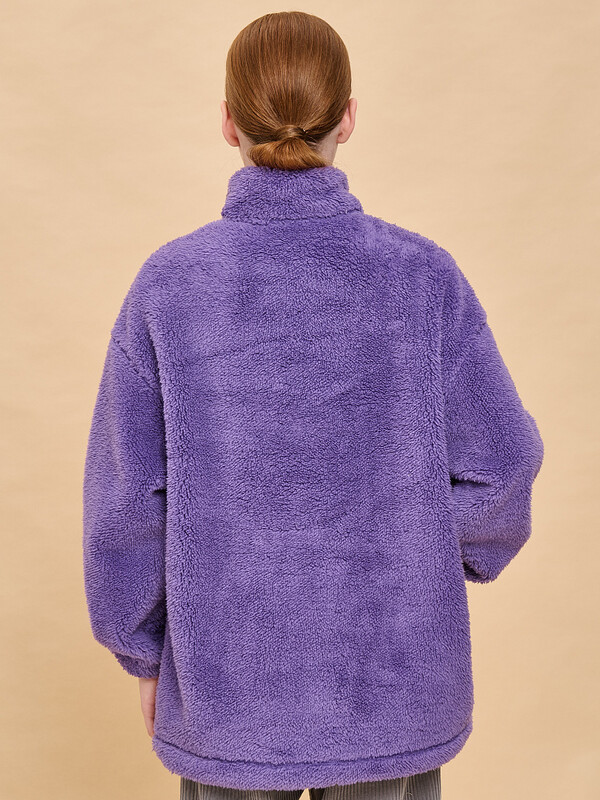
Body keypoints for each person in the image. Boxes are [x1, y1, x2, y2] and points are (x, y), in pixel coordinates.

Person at [82, 11, 544, 800]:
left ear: (228, 122)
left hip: (228, 692)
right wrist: (425, 556)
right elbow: (504, 465)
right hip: (394, 690)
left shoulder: (171, 286)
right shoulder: (422, 277)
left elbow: (125, 503)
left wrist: (145, 654)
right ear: (349, 117)